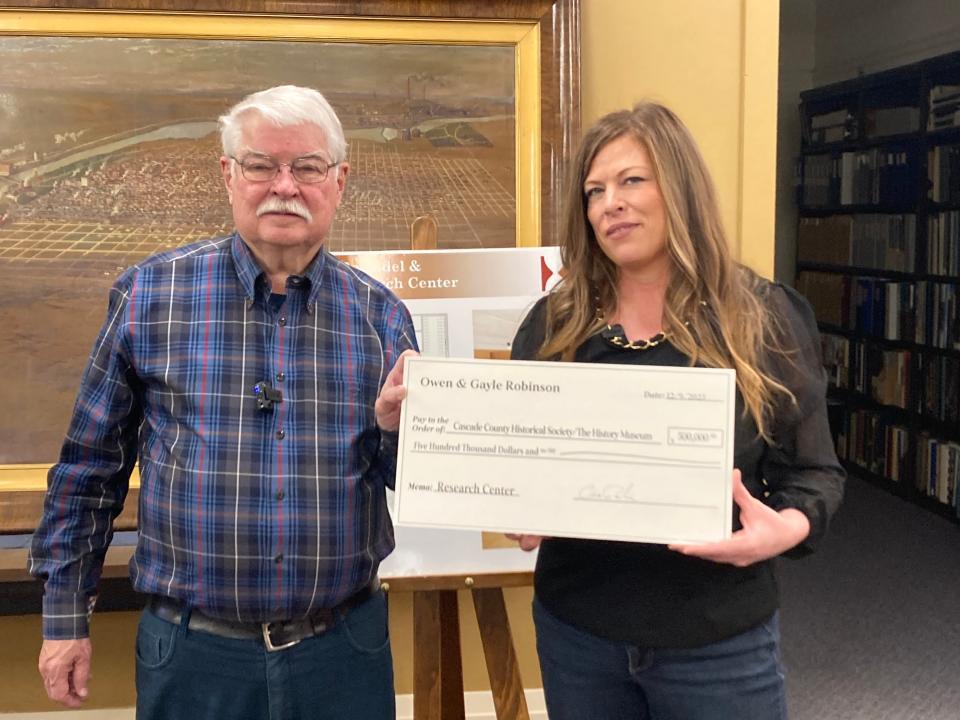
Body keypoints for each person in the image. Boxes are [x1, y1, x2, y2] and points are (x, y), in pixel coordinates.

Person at [29, 85, 417, 720]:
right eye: (261, 165)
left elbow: (406, 475)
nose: (284, 186)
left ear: (339, 181)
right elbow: (88, 471)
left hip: (342, 653)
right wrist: (65, 618)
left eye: (308, 167)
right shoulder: (151, 296)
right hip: (192, 654)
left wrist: (396, 433)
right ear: (229, 176)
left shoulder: (381, 316)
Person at [507, 102, 845, 720]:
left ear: (680, 189)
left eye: (632, 181)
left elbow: (816, 476)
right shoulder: (552, 327)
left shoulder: (763, 318)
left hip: (719, 642)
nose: (610, 203)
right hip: (579, 633)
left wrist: (780, 532)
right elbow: (525, 472)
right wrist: (518, 506)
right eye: (594, 191)